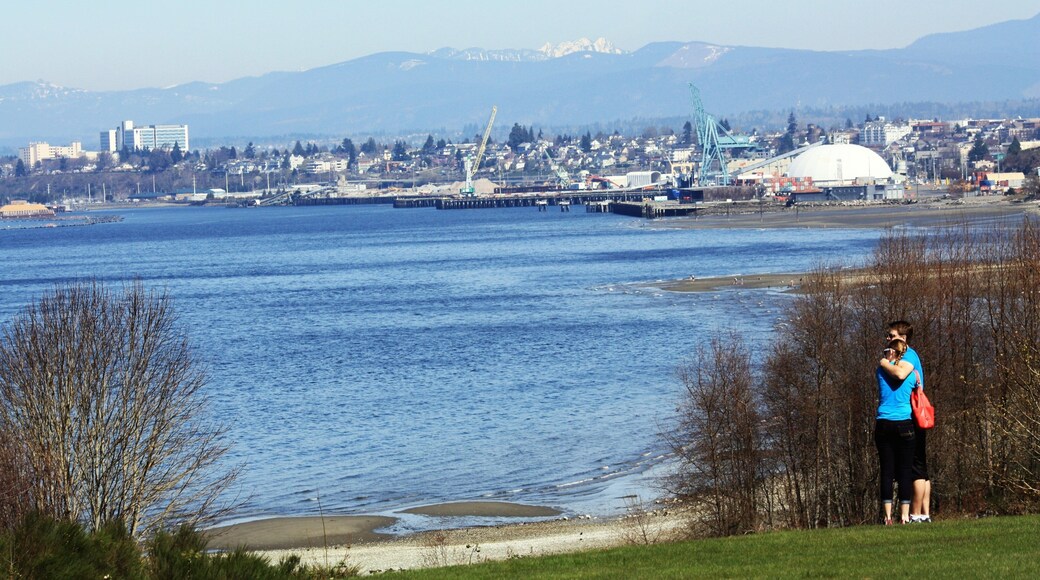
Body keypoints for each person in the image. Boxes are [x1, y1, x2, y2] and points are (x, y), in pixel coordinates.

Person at [887, 320, 931, 523]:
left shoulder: (909, 356)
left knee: (915, 469)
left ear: (903, 339)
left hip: (912, 417)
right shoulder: (908, 356)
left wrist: (884, 363)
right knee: (919, 466)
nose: (887, 339)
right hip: (915, 417)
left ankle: (915, 514)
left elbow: (901, 373)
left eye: (891, 335)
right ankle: (924, 514)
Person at [875, 337, 917, 525]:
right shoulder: (913, 374)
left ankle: (887, 516)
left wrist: (886, 360)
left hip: (883, 421)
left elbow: (891, 373)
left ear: (891, 352)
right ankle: (905, 516)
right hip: (904, 422)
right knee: (905, 470)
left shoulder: (880, 371)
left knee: (887, 470)